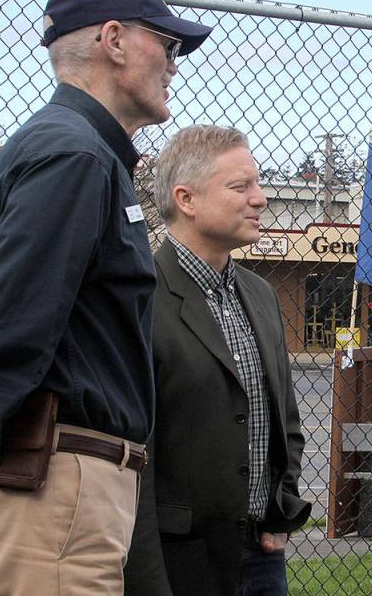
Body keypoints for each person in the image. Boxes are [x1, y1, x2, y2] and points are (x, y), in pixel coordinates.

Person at [0, 0, 211, 593]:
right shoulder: (74, 156)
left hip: (62, 491)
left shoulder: (75, 152)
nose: (175, 62)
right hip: (52, 490)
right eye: (166, 44)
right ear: (113, 41)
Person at [124, 125, 310, 596]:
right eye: (240, 186)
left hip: (263, 555)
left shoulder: (262, 295)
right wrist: (144, 572)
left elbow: (284, 419)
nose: (260, 198)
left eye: (259, 183)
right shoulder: (137, 298)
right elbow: (130, 452)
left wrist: (280, 506)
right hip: (177, 560)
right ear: (186, 199)